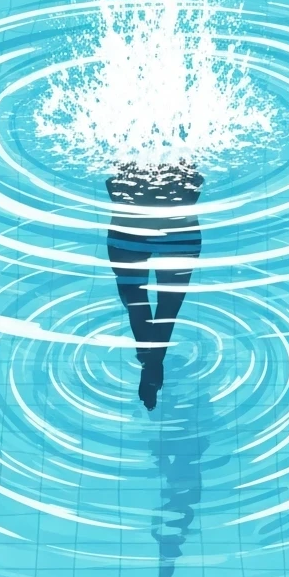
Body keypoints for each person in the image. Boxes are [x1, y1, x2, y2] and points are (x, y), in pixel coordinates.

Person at [105, 161, 204, 411]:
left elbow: (111, 183)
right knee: (168, 305)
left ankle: (151, 362)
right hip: (178, 224)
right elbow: (197, 183)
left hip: (130, 224)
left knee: (134, 299)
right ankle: (152, 362)